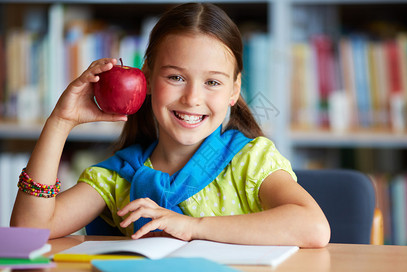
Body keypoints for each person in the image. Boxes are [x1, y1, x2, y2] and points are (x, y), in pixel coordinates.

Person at [10, 2, 330, 248]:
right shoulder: (118, 176)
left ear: (234, 90)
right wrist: (60, 122)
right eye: (176, 77)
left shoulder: (251, 161)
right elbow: (29, 233)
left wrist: (193, 227)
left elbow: (313, 227)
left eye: (212, 82)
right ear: (146, 78)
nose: (192, 98)